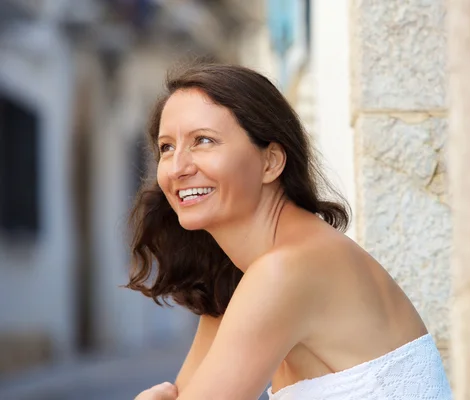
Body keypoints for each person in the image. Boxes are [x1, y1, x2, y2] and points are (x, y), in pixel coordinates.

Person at [127, 62, 452, 400]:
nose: (178, 167)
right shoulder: (243, 278)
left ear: (271, 162)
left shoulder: (287, 269)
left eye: (203, 141)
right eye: (167, 147)